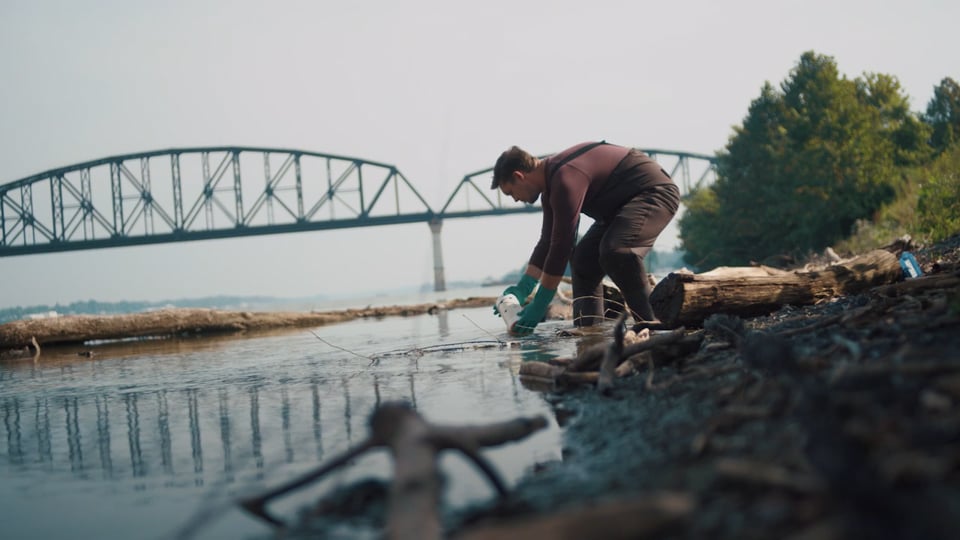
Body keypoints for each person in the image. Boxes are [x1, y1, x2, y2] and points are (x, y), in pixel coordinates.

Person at [491, 141, 680, 336]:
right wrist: (522, 289)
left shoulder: (564, 178)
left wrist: (540, 303)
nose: (514, 199)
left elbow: (562, 246)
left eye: (510, 192)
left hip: (654, 192)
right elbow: (547, 242)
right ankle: (590, 335)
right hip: (616, 211)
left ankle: (652, 325)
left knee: (617, 251)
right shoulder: (550, 191)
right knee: (583, 261)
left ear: (518, 176)